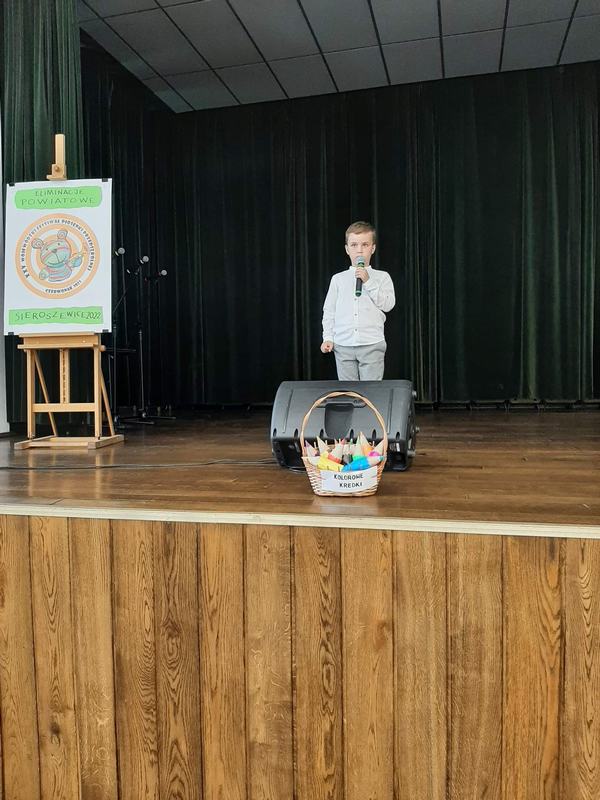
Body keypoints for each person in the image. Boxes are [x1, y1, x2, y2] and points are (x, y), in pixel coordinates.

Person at [321, 221, 395, 380]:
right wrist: (328, 337)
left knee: (371, 391)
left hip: (372, 343)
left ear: (373, 248)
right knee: (349, 391)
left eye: (365, 245)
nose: (359, 250)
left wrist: (368, 281)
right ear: (347, 249)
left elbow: (388, 305)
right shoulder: (338, 279)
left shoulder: (382, 277)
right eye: (354, 245)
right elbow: (329, 311)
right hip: (343, 345)